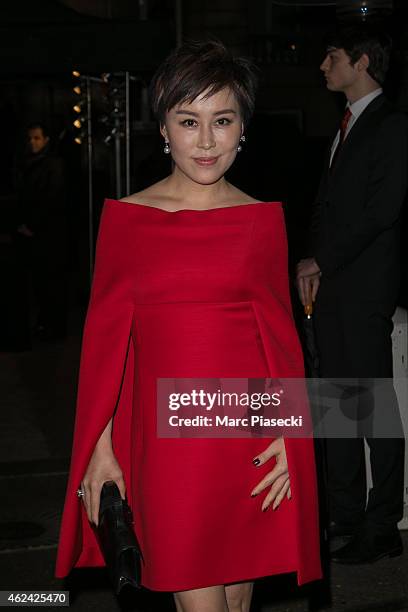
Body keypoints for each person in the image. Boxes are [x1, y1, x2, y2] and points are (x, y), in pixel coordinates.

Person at [55, 40, 321, 611]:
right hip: (169, 453)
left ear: (242, 127)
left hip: (247, 441)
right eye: (189, 121)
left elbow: (281, 345)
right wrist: (100, 451)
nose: (205, 141)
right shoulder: (127, 222)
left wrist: (290, 437)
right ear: (164, 128)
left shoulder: (260, 220)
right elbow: (106, 351)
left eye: (221, 121)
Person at [296, 25, 406, 564]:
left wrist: (325, 260)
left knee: (372, 411)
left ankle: (382, 524)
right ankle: (344, 516)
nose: (323, 65)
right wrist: (311, 263)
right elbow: (326, 206)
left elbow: (380, 213)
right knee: (334, 405)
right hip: (335, 285)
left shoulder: (391, 124)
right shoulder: (343, 127)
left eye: (332, 55)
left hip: (365, 289)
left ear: (361, 62)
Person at [16, 123, 68, 341]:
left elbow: (52, 199)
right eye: (30, 138)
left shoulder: (53, 165)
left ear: (46, 140)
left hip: (48, 235)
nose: (32, 142)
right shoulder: (28, 164)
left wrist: (32, 225)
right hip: (36, 234)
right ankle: (45, 325)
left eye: (37, 138)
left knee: (50, 283)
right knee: (39, 283)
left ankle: (53, 329)